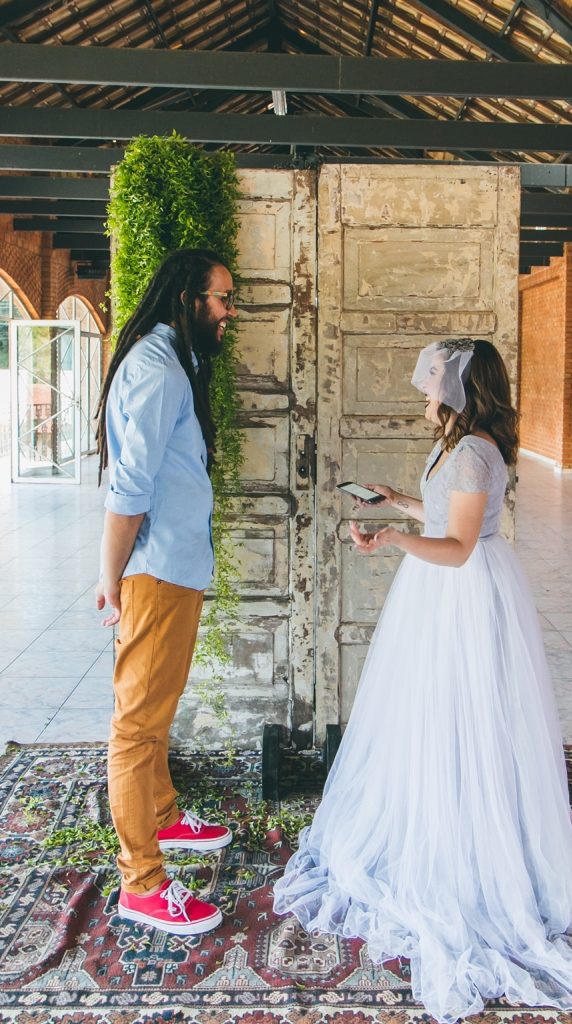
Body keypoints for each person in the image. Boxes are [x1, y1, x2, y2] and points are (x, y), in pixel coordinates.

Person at [273, 339, 572, 1022]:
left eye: (432, 380)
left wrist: (392, 540)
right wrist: (398, 504)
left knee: (463, 713)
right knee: (432, 713)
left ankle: (471, 845)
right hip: (441, 592)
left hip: (462, 595)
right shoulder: (458, 444)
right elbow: (443, 519)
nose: (422, 391)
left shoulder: (473, 451)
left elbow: (458, 549)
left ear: (460, 388)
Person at [95, 248, 238, 936]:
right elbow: (129, 484)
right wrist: (110, 574)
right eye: (220, 299)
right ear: (186, 297)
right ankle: (142, 882)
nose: (227, 313)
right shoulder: (157, 370)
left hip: (175, 564)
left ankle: (161, 815)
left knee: (157, 709)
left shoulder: (173, 363)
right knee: (136, 725)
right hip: (154, 568)